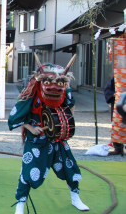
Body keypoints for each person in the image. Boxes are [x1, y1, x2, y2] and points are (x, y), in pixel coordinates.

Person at [8, 54, 89, 214]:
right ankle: (20, 203)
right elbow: (14, 117)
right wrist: (31, 128)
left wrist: (65, 122)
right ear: (40, 81)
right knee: (28, 170)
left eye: (60, 83)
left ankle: (75, 198)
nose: (54, 87)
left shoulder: (64, 89)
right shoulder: (32, 92)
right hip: (37, 139)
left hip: (58, 138)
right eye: (47, 82)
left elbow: (70, 107)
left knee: (69, 167)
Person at [104, 77, 125, 156]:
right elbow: (108, 88)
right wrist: (114, 94)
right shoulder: (118, 74)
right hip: (119, 101)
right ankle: (118, 147)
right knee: (117, 124)